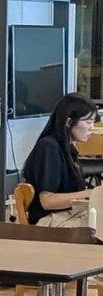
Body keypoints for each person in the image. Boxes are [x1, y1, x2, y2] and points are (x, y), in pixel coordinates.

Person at [21, 92, 97, 226]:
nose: (92, 127)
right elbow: (47, 201)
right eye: (88, 122)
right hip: (49, 220)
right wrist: (91, 193)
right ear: (69, 122)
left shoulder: (67, 147)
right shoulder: (49, 147)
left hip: (68, 214)